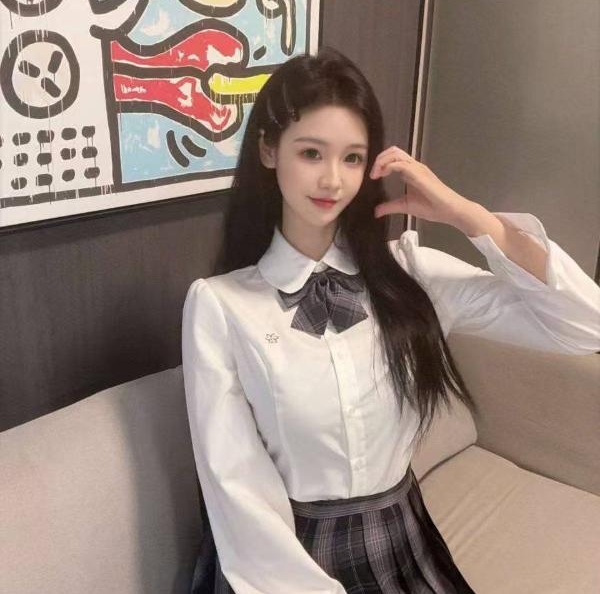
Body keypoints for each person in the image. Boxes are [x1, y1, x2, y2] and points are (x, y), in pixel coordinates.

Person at [181, 47, 600, 594]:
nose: (333, 179)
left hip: (399, 540)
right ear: (268, 149)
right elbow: (235, 485)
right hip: (284, 561)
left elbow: (584, 325)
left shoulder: (412, 273)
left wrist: (467, 216)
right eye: (311, 153)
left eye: (353, 158)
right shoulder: (219, 305)